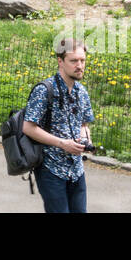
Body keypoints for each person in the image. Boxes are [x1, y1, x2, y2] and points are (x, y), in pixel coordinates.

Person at [22, 37, 94, 213]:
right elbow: (28, 127)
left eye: (82, 60)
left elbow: (84, 124)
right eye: (74, 61)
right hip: (51, 170)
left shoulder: (81, 92)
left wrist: (85, 136)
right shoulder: (44, 90)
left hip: (76, 170)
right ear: (60, 61)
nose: (79, 65)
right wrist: (63, 143)